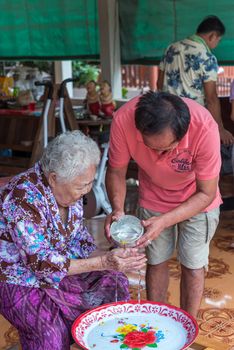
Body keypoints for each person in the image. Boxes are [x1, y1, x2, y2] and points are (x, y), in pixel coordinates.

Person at [0, 131, 146, 350]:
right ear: (53, 178)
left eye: (89, 183)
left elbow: (79, 241)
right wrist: (104, 262)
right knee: (50, 332)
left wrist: (117, 256)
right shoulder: (22, 198)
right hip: (19, 279)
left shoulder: (69, 192)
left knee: (113, 282)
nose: (86, 191)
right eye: (81, 186)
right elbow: (42, 265)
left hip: (59, 270)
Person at [105, 91, 222, 318]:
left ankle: (188, 326)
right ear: (140, 129)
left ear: (182, 134)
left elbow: (206, 193)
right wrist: (117, 209)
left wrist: (165, 221)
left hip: (197, 199)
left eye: (166, 149)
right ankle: (156, 321)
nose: (159, 156)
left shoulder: (205, 127)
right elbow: (116, 171)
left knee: (192, 263)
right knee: (156, 261)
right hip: (153, 194)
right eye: (152, 148)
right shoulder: (123, 119)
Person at [157, 15, 234, 145]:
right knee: (191, 159)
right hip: (193, 120)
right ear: (213, 36)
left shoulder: (171, 48)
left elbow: (159, 84)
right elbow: (211, 98)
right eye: (218, 40)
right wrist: (220, 129)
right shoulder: (207, 57)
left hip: (167, 117)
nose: (216, 44)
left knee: (171, 157)